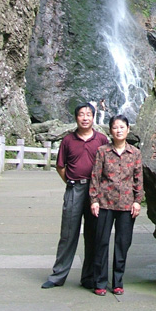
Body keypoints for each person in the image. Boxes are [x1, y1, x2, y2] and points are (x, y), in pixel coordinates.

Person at [41, 102, 109, 289]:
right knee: (68, 233)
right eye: (81, 114)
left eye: (88, 114)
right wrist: (72, 183)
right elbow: (60, 166)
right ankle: (57, 276)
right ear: (76, 117)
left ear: (93, 117)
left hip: (96, 192)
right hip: (75, 189)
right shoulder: (68, 140)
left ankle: (89, 277)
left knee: (94, 234)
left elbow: (108, 166)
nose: (85, 118)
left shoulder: (102, 139)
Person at [90, 114, 143, 296]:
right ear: (110, 131)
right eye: (115, 127)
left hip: (127, 205)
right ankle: (100, 282)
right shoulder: (102, 151)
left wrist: (138, 201)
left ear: (128, 129)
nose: (119, 130)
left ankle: (118, 282)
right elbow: (95, 177)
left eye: (122, 127)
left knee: (122, 243)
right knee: (101, 243)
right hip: (105, 202)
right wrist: (94, 200)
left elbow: (138, 179)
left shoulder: (135, 153)